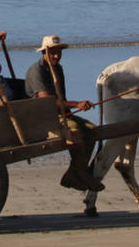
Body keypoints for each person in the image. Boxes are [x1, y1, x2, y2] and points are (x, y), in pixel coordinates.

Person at [24, 35, 104, 192]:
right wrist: (76, 104)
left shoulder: (58, 68)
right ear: (44, 53)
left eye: (58, 52)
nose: (56, 56)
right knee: (74, 131)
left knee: (92, 129)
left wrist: (72, 110)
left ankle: (72, 174)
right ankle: (82, 173)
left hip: (60, 114)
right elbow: (47, 102)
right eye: (52, 52)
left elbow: (61, 98)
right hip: (43, 118)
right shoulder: (37, 71)